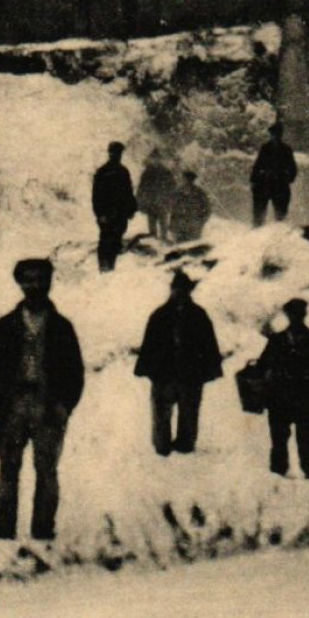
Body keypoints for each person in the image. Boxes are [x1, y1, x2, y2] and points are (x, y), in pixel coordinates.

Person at [0, 259, 86, 540]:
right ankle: (2, 531)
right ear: (20, 284)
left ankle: (43, 529)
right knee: (8, 468)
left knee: (46, 469)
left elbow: (75, 372)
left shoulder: (62, 327)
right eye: (28, 280)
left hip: (47, 407)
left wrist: (65, 405)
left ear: (49, 282)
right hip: (12, 405)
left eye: (40, 279)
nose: (34, 285)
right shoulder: (7, 326)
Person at [134, 270, 223, 456]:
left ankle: (185, 445)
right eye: (177, 289)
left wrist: (208, 370)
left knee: (189, 413)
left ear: (189, 291)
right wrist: (148, 369)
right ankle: (162, 446)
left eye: (184, 290)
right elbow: (149, 344)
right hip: (164, 375)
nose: (180, 293)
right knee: (161, 414)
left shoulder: (199, 315)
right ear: (172, 289)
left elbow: (208, 344)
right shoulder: (159, 315)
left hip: (190, 376)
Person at [256, 298, 309, 479]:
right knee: (279, 438)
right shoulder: (277, 340)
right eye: (292, 314)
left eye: (299, 314)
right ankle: (279, 471)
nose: (295, 318)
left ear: (303, 315)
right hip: (279, 397)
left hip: (304, 398)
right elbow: (262, 366)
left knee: (304, 437)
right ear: (288, 316)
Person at [91, 141, 137, 272]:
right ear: (110, 153)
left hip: (118, 213)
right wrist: (100, 214)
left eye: (118, 153)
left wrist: (131, 208)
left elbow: (128, 191)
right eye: (114, 153)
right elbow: (96, 196)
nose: (116, 155)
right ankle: (105, 267)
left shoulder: (121, 171)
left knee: (114, 239)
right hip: (109, 213)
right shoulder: (104, 172)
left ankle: (109, 267)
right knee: (107, 239)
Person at [250, 121, 298, 227]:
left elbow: (293, 168)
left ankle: (279, 234)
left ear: (281, 135)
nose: (275, 137)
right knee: (259, 214)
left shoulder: (286, 150)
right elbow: (257, 165)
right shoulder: (265, 148)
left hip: (280, 185)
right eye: (273, 134)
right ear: (271, 135)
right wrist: (253, 181)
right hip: (265, 184)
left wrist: (288, 178)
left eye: (277, 134)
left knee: (280, 215)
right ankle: (256, 233)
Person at [137, 148, 176, 242]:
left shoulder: (166, 172)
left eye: (157, 159)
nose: (155, 161)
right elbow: (141, 188)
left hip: (162, 202)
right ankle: (154, 239)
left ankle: (163, 240)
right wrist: (140, 201)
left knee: (163, 225)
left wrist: (171, 200)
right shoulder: (147, 172)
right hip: (151, 202)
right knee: (152, 224)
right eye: (153, 159)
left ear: (160, 160)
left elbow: (172, 187)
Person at [168, 170, 213, 244]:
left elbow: (171, 207)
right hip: (191, 225)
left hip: (184, 225)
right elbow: (207, 209)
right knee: (191, 247)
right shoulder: (199, 192)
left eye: (184, 179)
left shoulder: (179, 192)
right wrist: (201, 221)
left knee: (182, 247)